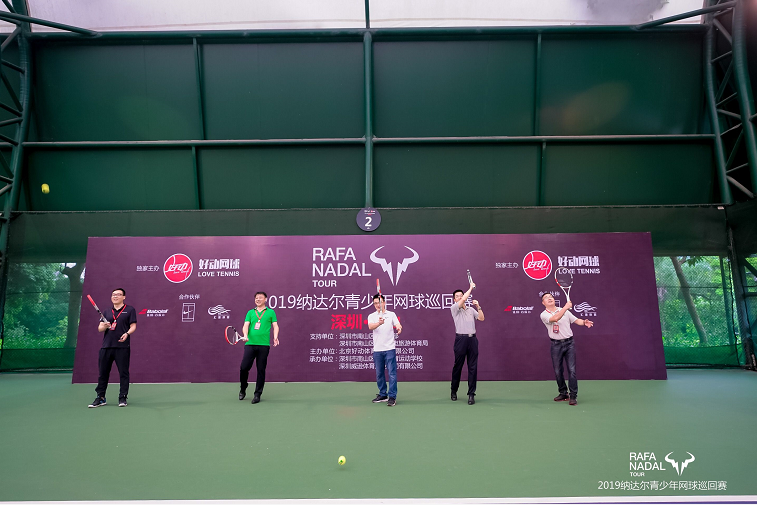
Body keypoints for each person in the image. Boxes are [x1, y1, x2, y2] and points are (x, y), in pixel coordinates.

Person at [539, 293, 593, 406]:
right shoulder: (544, 314)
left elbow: (576, 320)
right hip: (556, 345)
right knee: (558, 371)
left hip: (569, 344)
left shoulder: (565, 311)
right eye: (546, 298)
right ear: (543, 303)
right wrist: (566, 307)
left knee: (572, 370)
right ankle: (563, 393)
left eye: (551, 297)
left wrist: (584, 322)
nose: (549, 298)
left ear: (554, 299)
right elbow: (555, 318)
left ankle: (573, 396)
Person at [89, 288, 137, 408]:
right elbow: (100, 328)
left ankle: (122, 397)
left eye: (118, 294)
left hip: (122, 347)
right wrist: (105, 326)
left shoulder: (130, 310)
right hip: (106, 347)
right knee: (103, 373)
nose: (115, 296)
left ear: (124, 297)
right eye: (113, 294)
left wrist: (127, 333)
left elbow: (133, 326)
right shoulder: (106, 311)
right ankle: (100, 397)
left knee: (123, 373)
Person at [239, 291, 279, 404]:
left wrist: (275, 337)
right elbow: (246, 325)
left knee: (261, 370)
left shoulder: (271, 312)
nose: (258, 299)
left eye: (260, 298)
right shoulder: (250, 312)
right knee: (244, 368)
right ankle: (243, 388)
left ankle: (257, 394)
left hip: (264, 345)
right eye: (256, 298)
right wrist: (245, 335)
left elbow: (275, 325)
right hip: (250, 344)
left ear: (265, 299)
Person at [450, 282, 484, 405]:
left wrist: (478, 306)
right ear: (454, 299)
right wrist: (470, 288)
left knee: (472, 368)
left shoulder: (470, 310)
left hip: (472, 340)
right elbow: (464, 299)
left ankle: (471, 394)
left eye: (461, 295)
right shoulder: (454, 308)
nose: (460, 297)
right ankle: (454, 390)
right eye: (457, 296)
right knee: (458, 367)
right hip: (461, 340)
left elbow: (481, 318)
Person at [367, 294, 402, 407]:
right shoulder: (372, 316)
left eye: (380, 302)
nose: (378, 305)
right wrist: (379, 323)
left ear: (384, 303)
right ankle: (383, 394)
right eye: (376, 303)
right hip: (377, 350)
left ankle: (392, 396)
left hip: (389, 349)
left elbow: (398, 324)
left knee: (392, 374)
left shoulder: (391, 314)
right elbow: (370, 327)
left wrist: (399, 328)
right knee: (379, 374)